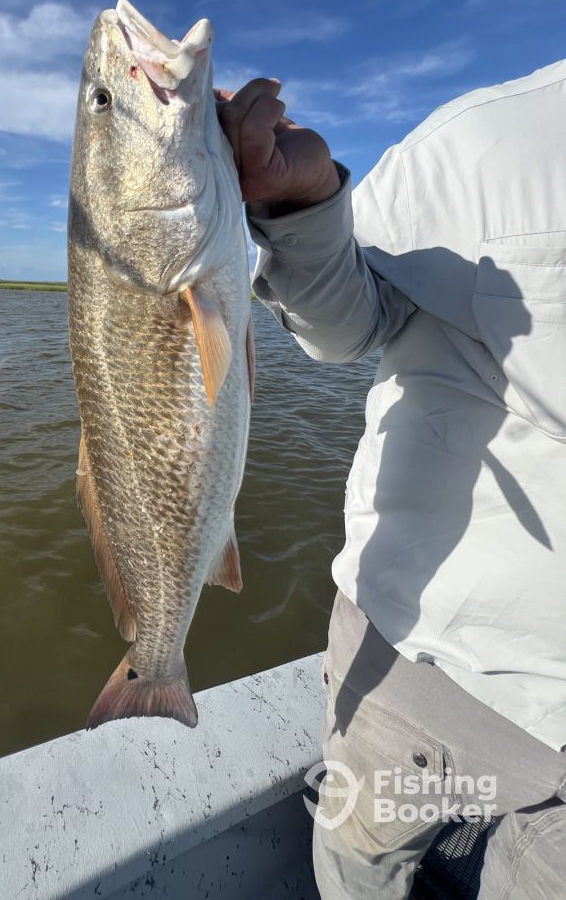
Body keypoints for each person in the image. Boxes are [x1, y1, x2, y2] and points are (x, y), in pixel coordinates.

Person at [216, 63, 566, 899]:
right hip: (433, 657)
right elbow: (346, 321)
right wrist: (301, 207)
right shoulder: (487, 139)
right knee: (359, 869)